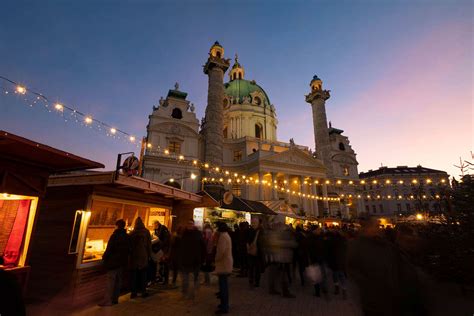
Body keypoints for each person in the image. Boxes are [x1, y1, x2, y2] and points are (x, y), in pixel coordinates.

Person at [99, 219, 130, 306]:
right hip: (122, 262)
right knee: (118, 282)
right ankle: (115, 299)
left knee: (110, 282)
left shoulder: (115, 236)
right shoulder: (127, 236)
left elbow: (109, 248)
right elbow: (128, 250)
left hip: (113, 262)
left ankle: (107, 301)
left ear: (117, 226)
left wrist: (104, 257)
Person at [265, 221, 297, 298]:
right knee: (281, 275)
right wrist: (289, 243)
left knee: (278, 274)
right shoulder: (274, 233)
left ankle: (275, 289)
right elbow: (274, 243)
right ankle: (284, 291)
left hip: (280, 258)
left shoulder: (277, 233)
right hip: (278, 258)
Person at [179, 219, 205, 299]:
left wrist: (202, 258)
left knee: (193, 278)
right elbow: (180, 247)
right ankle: (185, 293)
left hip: (195, 260)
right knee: (185, 279)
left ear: (193, 225)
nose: (190, 225)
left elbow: (202, 247)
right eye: (188, 224)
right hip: (185, 259)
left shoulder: (198, 234)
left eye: (191, 224)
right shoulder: (183, 234)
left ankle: (192, 294)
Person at [129, 217, 152, 298]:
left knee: (134, 275)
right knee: (143, 274)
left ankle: (133, 292)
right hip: (143, 256)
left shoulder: (132, 233)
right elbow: (149, 245)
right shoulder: (146, 232)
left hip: (134, 257)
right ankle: (143, 291)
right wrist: (149, 255)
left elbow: (129, 246)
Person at [214, 222, 233, 314]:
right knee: (223, 284)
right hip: (226, 262)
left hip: (223, 263)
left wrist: (216, 259)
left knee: (223, 286)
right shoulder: (226, 235)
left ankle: (224, 306)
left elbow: (221, 251)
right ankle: (224, 304)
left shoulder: (223, 237)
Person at [307, 227, 329, 298]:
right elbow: (310, 249)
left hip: (319, 259)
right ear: (314, 230)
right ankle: (318, 291)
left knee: (320, 275)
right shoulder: (314, 238)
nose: (319, 231)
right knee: (317, 275)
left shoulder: (320, 238)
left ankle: (321, 290)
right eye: (318, 230)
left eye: (319, 230)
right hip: (316, 259)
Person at [327, 229, 348, 299]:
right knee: (341, 277)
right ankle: (344, 291)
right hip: (341, 262)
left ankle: (337, 288)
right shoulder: (344, 241)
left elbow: (329, 252)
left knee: (335, 276)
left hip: (335, 262)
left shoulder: (332, 241)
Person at [247, 218, 264, 288]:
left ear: (258, 223)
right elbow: (247, 240)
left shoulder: (261, 231)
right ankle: (251, 280)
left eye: (255, 222)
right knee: (251, 267)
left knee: (257, 268)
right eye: (253, 222)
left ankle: (256, 281)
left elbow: (262, 242)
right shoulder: (250, 230)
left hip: (258, 252)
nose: (253, 223)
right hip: (251, 251)